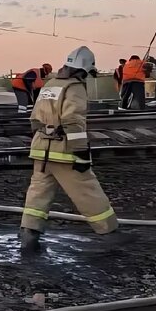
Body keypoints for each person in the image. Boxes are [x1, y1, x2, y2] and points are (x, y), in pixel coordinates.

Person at [19, 46, 120, 253]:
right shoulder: (74, 87)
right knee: (87, 189)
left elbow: (34, 119)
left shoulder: (50, 84)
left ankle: (29, 235)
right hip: (63, 151)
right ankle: (110, 233)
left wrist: (43, 138)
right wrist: (81, 152)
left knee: (38, 193)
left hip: (41, 149)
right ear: (82, 70)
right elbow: (73, 121)